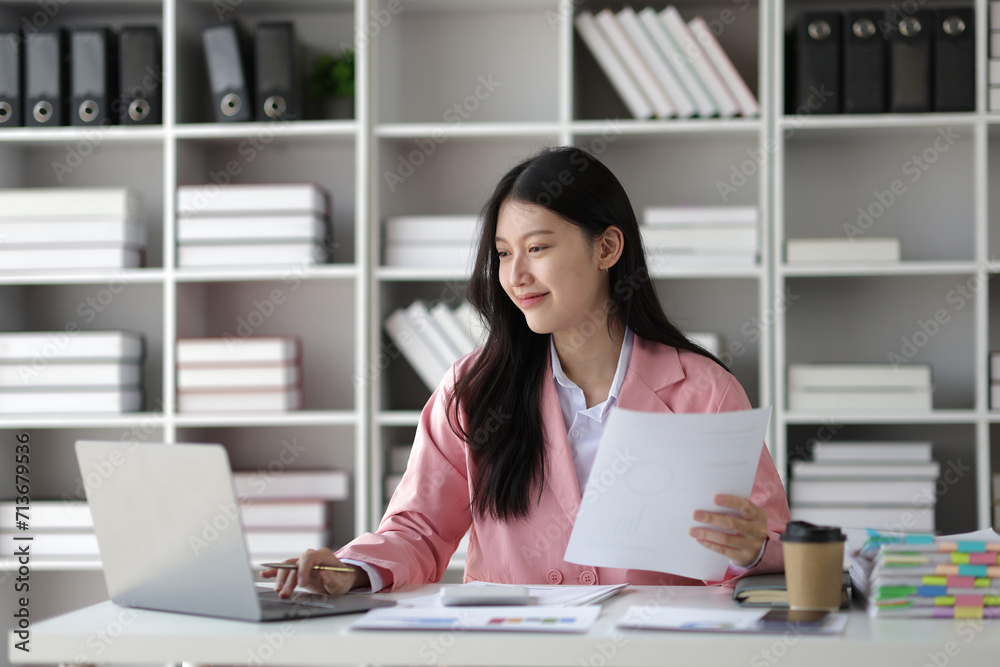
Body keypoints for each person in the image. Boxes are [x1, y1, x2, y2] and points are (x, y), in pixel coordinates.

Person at [265, 146, 789, 597]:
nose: (515, 276)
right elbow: (419, 531)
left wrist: (750, 551)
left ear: (607, 247)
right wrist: (351, 568)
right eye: (503, 254)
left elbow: (776, 554)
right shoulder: (473, 390)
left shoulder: (704, 392)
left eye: (537, 248)